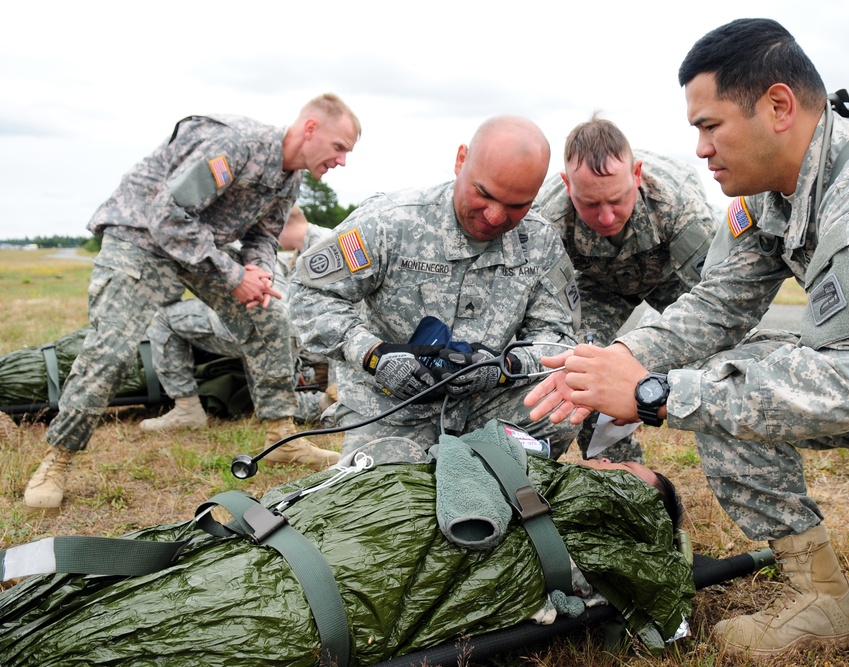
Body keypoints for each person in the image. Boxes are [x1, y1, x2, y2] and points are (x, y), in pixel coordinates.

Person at [525, 18, 849, 666]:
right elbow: (721, 301)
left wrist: (655, 393)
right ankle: (820, 594)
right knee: (725, 379)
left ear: (778, 106)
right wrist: (629, 358)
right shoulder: (771, 196)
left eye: (709, 126)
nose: (698, 149)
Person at [0, 421, 692, 667]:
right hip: (313, 525)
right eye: (610, 464)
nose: (604, 465)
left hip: (338, 579)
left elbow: (664, 584)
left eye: (626, 472)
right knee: (148, 572)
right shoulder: (522, 465)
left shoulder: (602, 514)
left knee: (160, 621)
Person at [23, 94, 360, 514]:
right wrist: (234, 275)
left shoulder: (289, 179)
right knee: (111, 352)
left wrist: (257, 273)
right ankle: (57, 458)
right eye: (340, 147)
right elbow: (168, 215)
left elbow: (263, 237)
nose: (343, 160)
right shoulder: (236, 145)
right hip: (141, 240)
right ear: (310, 129)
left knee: (270, 318)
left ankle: (281, 439)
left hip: (201, 251)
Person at [290, 115, 582, 458]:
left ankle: (477, 465)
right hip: (391, 406)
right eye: (484, 193)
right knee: (392, 502)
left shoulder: (540, 241)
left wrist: (504, 368)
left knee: (565, 402)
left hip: (483, 406)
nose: (494, 216)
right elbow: (308, 293)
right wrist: (372, 354)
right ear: (461, 161)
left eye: (517, 205)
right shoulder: (391, 222)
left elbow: (558, 339)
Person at [534, 116, 717, 463]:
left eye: (616, 200)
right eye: (590, 204)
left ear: (636, 174)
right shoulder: (547, 217)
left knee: (719, 357)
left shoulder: (679, 204)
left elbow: (717, 299)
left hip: (670, 278)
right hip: (600, 284)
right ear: (567, 185)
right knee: (583, 364)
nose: (605, 218)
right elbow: (541, 305)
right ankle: (618, 469)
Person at [138, 205, 337, 432]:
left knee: (165, 318)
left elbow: (167, 294)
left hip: (253, 326)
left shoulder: (204, 232)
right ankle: (326, 403)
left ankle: (186, 408)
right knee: (276, 402)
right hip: (285, 332)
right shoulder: (270, 247)